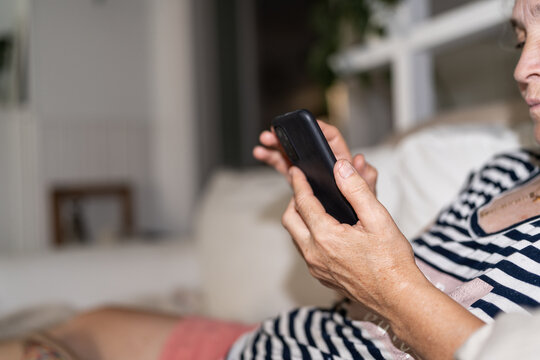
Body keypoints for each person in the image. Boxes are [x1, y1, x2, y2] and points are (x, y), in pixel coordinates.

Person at [1, 0, 539, 358]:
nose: (521, 68)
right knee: (82, 328)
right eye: (520, 39)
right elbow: (382, 321)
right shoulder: (501, 171)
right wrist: (349, 224)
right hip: (277, 343)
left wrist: (388, 285)